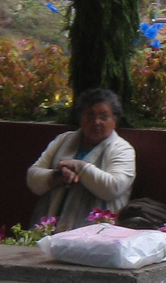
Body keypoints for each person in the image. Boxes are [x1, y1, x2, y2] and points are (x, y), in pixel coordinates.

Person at [26, 87, 136, 233]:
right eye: (89, 116)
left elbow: (113, 187)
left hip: (98, 235)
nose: (96, 122)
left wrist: (79, 167)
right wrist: (56, 176)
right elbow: (33, 176)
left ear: (114, 120)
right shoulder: (64, 140)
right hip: (50, 230)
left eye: (104, 116)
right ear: (80, 119)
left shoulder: (122, 149)